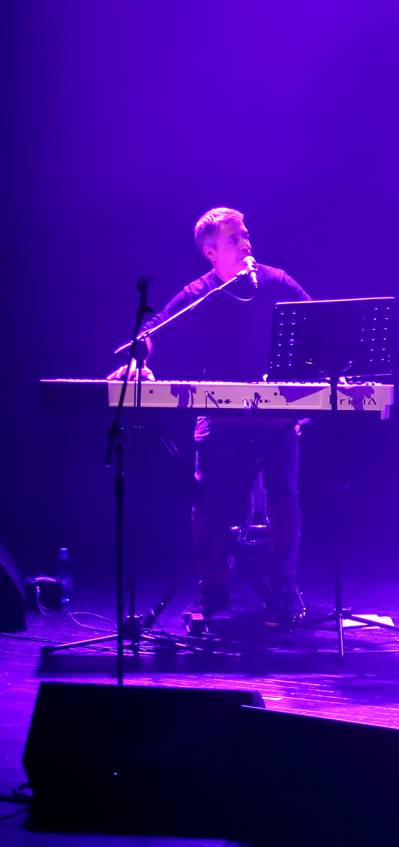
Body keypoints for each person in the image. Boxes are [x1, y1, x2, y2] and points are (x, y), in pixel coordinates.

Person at [130, 207, 312, 624]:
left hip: (273, 411)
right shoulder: (201, 293)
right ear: (211, 253)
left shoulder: (275, 281)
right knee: (207, 498)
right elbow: (156, 329)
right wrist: (138, 358)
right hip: (220, 413)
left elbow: (315, 322)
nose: (246, 243)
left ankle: (284, 589)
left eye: (245, 235)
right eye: (234, 239)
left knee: (283, 492)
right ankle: (213, 591)